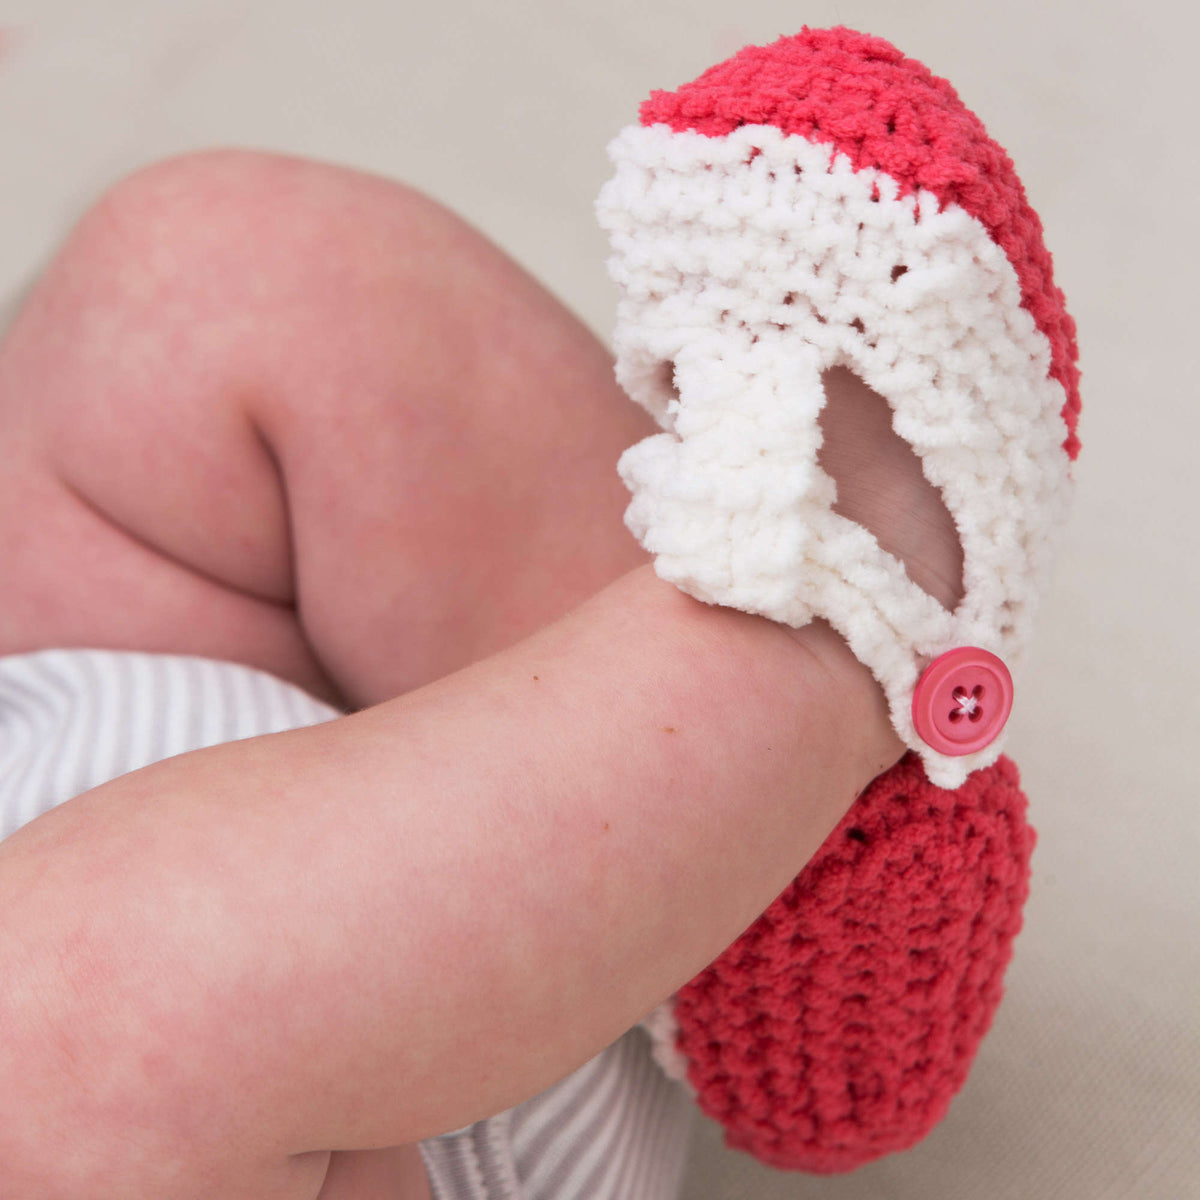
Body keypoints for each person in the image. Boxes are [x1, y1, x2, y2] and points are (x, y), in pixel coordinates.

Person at [0, 147, 964, 1199]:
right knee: (74, 1039)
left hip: (64, 734)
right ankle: (837, 626)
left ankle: (799, 902)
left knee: (197, 280)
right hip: (293, 1112)